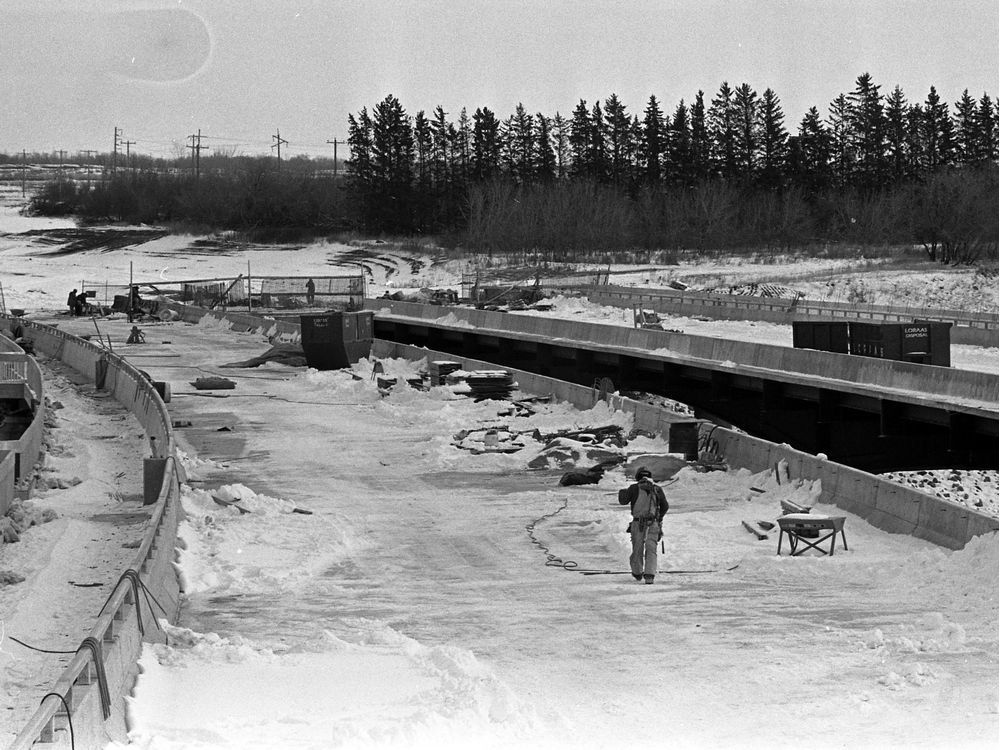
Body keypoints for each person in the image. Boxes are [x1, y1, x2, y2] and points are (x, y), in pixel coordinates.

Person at [618, 466, 669, 584]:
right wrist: (659, 518)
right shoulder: (657, 489)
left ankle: (637, 572)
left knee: (637, 548)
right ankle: (650, 575)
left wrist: (622, 492)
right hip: (653, 523)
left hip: (638, 523)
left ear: (637, 477)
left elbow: (623, 501)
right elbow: (665, 506)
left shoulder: (634, 488)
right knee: (651, 549)